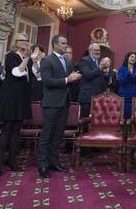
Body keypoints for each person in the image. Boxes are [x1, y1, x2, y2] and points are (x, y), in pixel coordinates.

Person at [0, 32, 40, 177]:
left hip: (22, 97)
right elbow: (16, 72)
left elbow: (35, 74)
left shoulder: (27, 58)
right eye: (22, 40)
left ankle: (12, 160)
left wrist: (36, 60)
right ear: (16, 42)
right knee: (7, 129)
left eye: (27, 41)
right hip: (10, 97)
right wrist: (27, 58)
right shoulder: (11, 56)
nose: (26, 43)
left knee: (17, 129)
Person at [37, 34, 81, 178]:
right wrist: (67, 79)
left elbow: (68, 81)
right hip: (51, 103)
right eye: (63, 43)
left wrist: (73, 78)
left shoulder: (68, 62)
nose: (66, 46)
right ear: (55, 44)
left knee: (58, 135)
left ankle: (53, 162)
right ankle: (42, 165)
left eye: (66, 43)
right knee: (47, 135)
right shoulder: (46, 60)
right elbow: (47, 81)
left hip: (65, 102)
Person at [78, 43, 109, 125]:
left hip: (99, 96)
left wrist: (106, 73)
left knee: (97, 122)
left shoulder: (99, 61)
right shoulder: (84, 61)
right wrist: (100, 68)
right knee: (86, 122)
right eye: (96, 50)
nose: (98, 52)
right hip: (88, 97)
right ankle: (84, 137)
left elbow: (103, 77)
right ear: (90, 50)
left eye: (99, 50)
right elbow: (88, 75)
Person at [118, 51, 136, 119]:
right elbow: (121, 81)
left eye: (135, 58)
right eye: (131, 57)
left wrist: (132, 76)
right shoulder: (121, 69)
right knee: (124, 115)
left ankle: (131, 129)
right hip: (124, 95)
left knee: (133, 115)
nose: (133, 59)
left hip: (135, 95)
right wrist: (129, 74)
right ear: (127, 58)